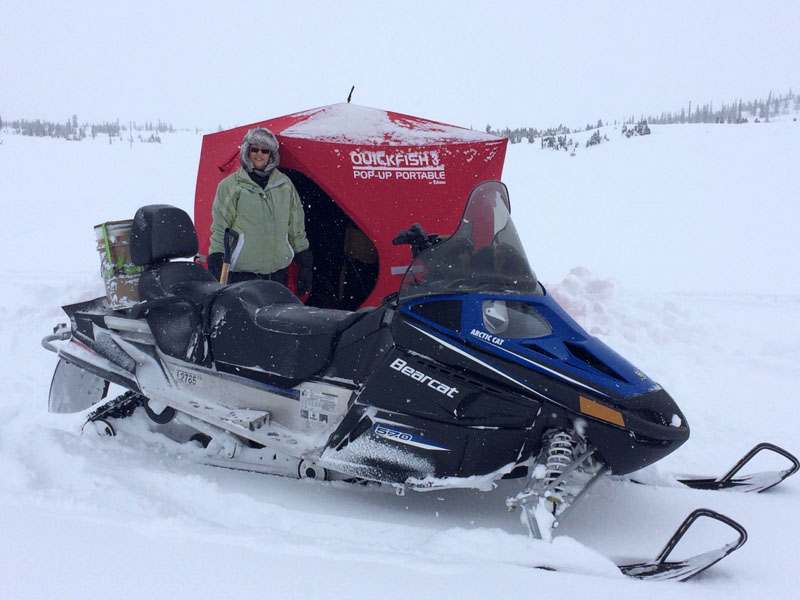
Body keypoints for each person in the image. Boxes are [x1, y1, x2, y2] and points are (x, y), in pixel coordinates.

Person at [207, 127, 313, 294]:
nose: (259, 154)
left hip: (277, 274)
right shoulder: (232, 186)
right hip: (242, 275)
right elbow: (220, 227)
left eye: (265, 150)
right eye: (254, 149)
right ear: (247, 151)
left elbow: (295, 227)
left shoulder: (285, 185)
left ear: (271, 155)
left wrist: (304, 261)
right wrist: (216, 257)